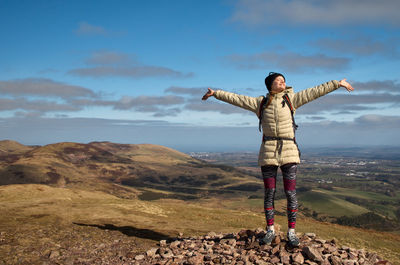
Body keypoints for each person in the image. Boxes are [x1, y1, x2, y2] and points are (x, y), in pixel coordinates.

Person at [202, 72, 354, 247]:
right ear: (270, 85)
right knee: (269, 193)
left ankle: (291, 232)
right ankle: (270, 230)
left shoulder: (292, 99)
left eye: (284, 80)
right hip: (268, 151)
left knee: (290, 193)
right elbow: (237, 99)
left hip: (289, 150)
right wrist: (216, 93)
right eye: (278, 80)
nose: (282, 82)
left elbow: (314, 91)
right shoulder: (261, 103)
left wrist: (337, 83)